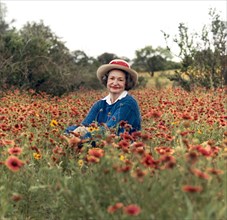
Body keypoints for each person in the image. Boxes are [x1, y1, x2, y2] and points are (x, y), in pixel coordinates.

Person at [64, 59, 141, 141]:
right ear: (106, 80)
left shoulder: (128, 103)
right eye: (112, 78)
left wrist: (81, 138)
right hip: (99, 143)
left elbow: (110, 129)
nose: (115, 83)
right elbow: (85, 124)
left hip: (124, 149)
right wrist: (70, 133)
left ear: (126, 82)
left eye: (120, 80)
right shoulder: (100, 104)